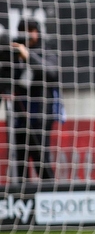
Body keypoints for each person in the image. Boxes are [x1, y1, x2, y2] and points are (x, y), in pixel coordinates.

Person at [6, 19, 61, 183]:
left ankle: (50, 194)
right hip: (19, 114)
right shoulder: (12, 53)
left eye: (31, 30)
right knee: (20, 162)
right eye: (23, 30)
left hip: (40, 116)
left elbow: (51, 73)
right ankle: (23, 201)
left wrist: (28, 56)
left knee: (41, 159)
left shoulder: (46, 51)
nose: (28, 34)